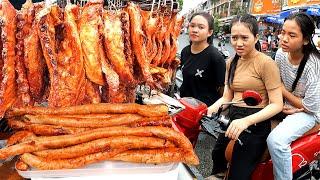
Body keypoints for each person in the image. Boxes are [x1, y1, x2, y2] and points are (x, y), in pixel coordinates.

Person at [206, 14, 283, 180]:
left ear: (256, 37)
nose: (238, 43)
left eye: (244, 38)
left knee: (238, 172)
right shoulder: (231, 62)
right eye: (234, 38)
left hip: (255, 122)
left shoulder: (266, 63)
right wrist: (209, 109)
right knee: (217, 155)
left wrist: (247, 121)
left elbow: (277, 104)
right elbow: (227, 96)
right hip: (233, 118)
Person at [267, 12, 320, 180]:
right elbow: (275, 82)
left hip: (311, 113)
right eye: (282, 32)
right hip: (287, 106)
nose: (283, 38)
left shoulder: (314, 64)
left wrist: (282, 91)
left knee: (275, 141)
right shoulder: (281, 54)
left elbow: (311, 107)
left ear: (305, 40)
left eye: (291, 35)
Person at [179, 12, 226, 106]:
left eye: (201, 27)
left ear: (209, 32)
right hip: (184, 106)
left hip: (204, 111)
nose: (195, 30)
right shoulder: (185, 51)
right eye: (192, 26)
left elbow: (222, 90)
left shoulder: (215, 57)